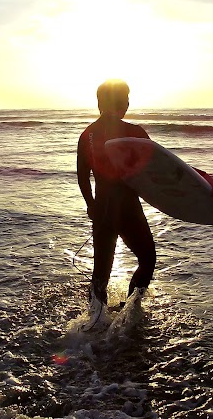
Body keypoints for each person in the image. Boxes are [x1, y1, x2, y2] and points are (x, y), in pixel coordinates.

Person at [76, 79, 156, 307]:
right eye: (126, 99)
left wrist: (91, 205)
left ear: (99, 103)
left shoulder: (87, 135)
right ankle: (130, 310)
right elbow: (156, 169)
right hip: (128, 208)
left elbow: (83, 176)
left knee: (101, 271)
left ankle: (94, 320)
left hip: (102, 208)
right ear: (123, 103)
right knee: (147, 259)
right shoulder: (134, 132)